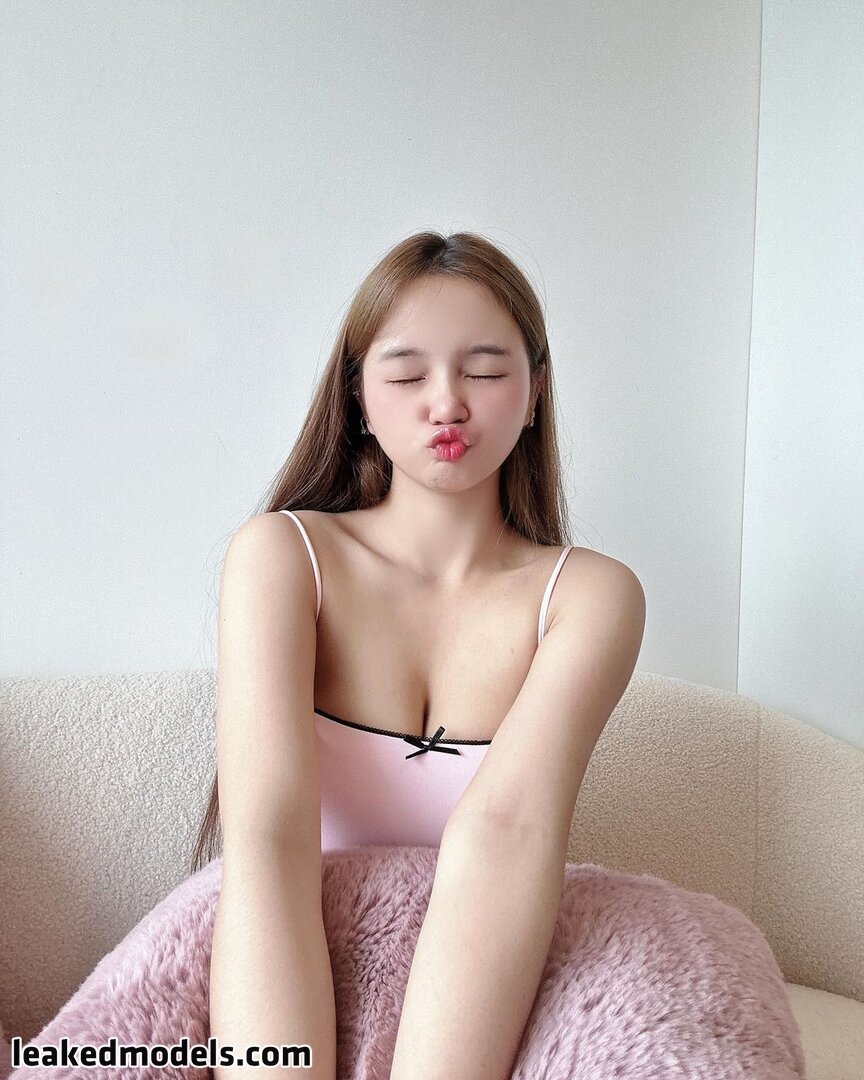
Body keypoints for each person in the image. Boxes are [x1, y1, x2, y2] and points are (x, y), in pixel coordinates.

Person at [194, 231, 646, 1079]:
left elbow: (507, 834)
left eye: (485, 371)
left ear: (536, 391)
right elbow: (268, 839)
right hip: (282, 974)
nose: (447, 404)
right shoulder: (282, 557)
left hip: (490, 994)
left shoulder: (589, 596)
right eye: (407, 375)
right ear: (360, 395)